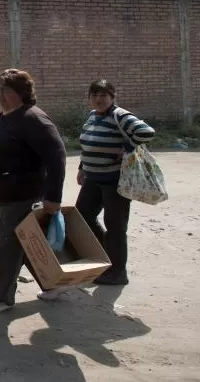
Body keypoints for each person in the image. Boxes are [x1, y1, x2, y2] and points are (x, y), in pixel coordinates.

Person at [0, 69, 67, 314]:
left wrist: (53, 197)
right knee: (25, 242)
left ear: (22, 93)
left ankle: (2, 298)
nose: (1, 96)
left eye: (6, 91)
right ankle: (51, 284)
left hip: (21, 194)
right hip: (0, 193)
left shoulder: (33, 118)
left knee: (8, 245)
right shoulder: (4, 117)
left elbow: (56, 157)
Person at [74, 79, 155, 286]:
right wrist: (82, 168)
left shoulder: (120, 115)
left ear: (112, 97)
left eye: (104, 95)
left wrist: (127, 147)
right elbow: (89, 144)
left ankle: (118, 273)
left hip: (115, 182)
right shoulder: (93, 116)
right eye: (95, 95)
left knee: (116, 227)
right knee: (82, 216)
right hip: (93, 179)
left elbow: (146, 131)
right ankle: (104, 254)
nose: (99, 99)